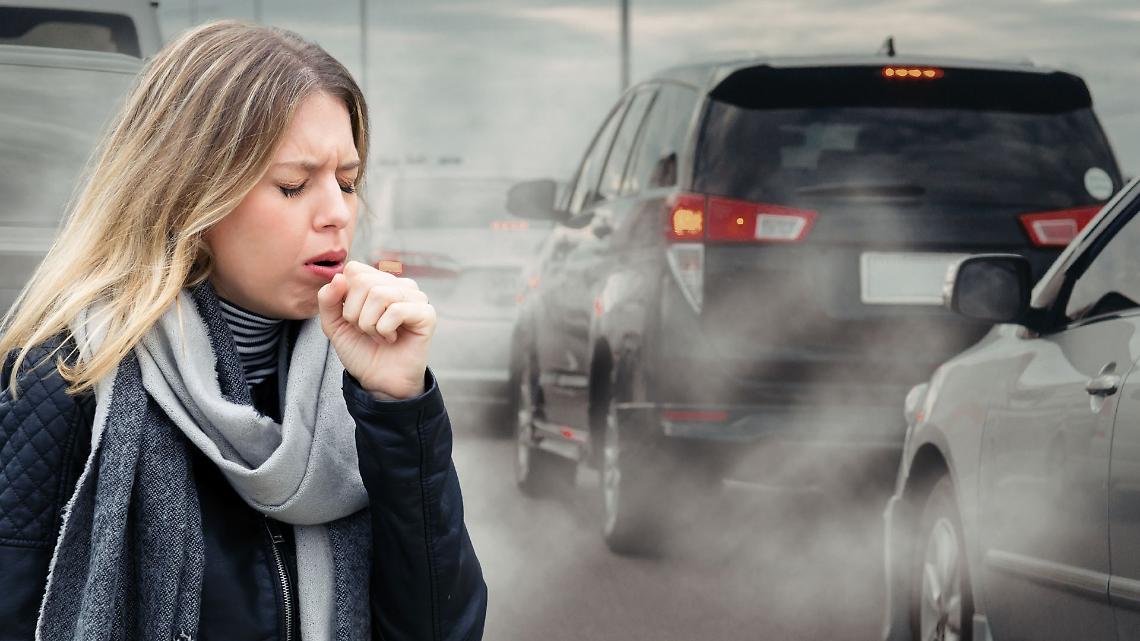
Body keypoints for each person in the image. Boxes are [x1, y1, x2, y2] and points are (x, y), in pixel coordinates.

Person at [0, 20, 486, 641]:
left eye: (347, 182)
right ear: (190, 193)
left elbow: (444, 629)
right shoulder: (63, 379)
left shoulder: (362, 385)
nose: (337, 213)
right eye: (293, 185)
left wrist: (399, 406)